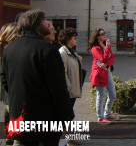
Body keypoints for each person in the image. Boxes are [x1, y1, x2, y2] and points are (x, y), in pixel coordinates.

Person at [1, 9, 74, 145]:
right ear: (36, 24)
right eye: (45, 20)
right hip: (44, 119)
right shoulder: (47, 49)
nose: (48, 23)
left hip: (19, 116)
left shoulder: (9, 49)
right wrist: (67, 116)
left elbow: (5, 82)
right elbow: (58, 88)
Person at [87, 28, 117, 124]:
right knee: (101, 95)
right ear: (98, 37)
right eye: (102, 34)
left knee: (112, 94)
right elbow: (102, 59)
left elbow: (112, 57)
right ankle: (100, 117)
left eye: (104, 33)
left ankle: (107, 114)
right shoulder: (95, 48)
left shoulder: (104, 45)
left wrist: (107, 65)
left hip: (107, 72)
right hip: (99, 74)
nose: (105, 35)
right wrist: (107, 49)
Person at [0, 23, 17, 146]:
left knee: (9, 110)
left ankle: (9, 136)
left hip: (7, 87)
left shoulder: (6, 49)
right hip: (10, 87)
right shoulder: (10, 50)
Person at [58, 28, 83, 108]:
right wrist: (68, 88)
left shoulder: (71, 51)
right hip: (69, 91)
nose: (76, 40)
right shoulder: (63, 52)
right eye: (74, 38)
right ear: (68, 40)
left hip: (73, 90)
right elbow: (63, 72)